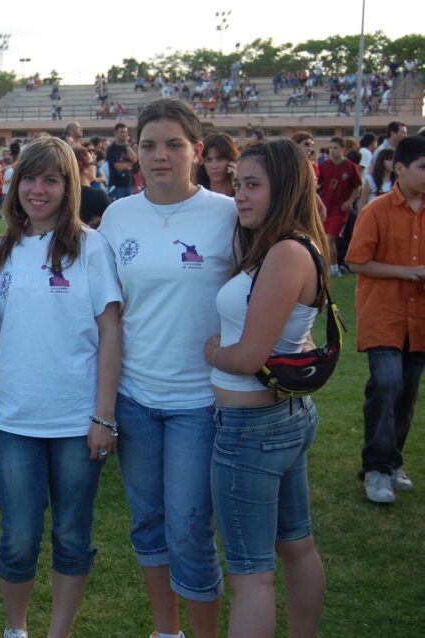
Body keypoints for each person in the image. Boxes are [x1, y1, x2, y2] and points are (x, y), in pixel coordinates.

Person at [99, 98, 236, 638]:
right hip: (135, 399)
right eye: (149, 145)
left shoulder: (225, 214)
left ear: (198, 152)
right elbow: (105, 309)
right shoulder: (117, 215)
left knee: (189, 530)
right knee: (148, 522)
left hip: (199, 403)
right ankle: (166, 630)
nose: (161, 155)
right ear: (136, 151)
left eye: (174, 145)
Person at [0, 135, 122, 638]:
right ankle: (16, 629)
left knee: (71, 535)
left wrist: (104, 416)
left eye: (51, 180)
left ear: (68, 187)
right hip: (16, 420)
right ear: (16, 185)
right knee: (18, 538)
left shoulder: (91, 246)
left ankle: (57, 632)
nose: (39, 191)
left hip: (77, 422)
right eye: (30, 179)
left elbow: (110, 332)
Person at [206, 139, 327, 637]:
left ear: (286, 187)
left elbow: (249, 358)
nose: (240, 196)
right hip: (284, 418)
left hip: (251, 429)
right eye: (238, 185)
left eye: (253, 185)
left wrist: (212, 351)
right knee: (297, 544)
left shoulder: (284, 253)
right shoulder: (298, 245)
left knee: (252, 575)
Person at [346, 135, 425, 504]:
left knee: (406, 394)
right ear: (400, 168)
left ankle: (392, 462)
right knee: (388, 383)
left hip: (419, 320)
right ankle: (376, 468)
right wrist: (406, 272)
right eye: (422, 167)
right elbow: (356, 261)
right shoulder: (375, 211)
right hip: (384, 316)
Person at [317, 137, 362, 277]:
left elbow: (357, 187)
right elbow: (318, 185)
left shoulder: (350, 166)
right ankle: (334, 267)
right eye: (330, 148)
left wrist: (350, 201)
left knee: (329, 239)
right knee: (329, 241)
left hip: (340, 210)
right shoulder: (324, 166)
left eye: (335, 148)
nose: (332, 151)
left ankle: (324, 269)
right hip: (326, 208)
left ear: (343, 149)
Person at [73, 144, 111, 228]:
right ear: (83, 167)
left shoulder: (61, 194)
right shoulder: (98, 196)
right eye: (93, 162)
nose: (95, 165)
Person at [106, 123, 137, 200]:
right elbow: (118, 167)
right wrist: (130, 164)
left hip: (129, 184)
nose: (124, 134)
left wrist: (126, 145)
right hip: (117, 185)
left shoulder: (127, 147)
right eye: (122, 132)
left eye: (126, 132)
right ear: (115, 133)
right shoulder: (112, 149)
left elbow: (135, 159)